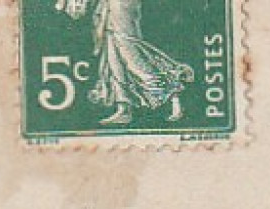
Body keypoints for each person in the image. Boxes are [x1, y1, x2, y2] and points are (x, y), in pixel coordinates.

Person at [60, 0, 193, 125]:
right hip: (110, 6)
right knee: (113, 58)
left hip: (123, 5)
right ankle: (124, 108)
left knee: (132, 56)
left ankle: (173, 92)